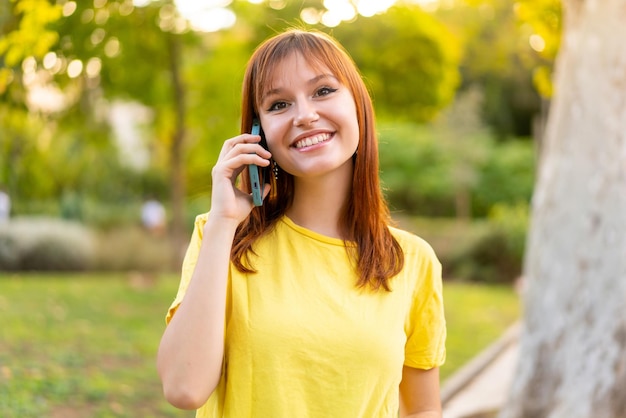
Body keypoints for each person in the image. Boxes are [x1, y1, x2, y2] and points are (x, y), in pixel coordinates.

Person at [157, 29, 446, 418]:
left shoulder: (412, 259)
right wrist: (225, 221)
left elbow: (423, 410)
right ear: (258, 135)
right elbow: (183, 387)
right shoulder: (223, 237)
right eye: (279, 105)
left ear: (358, 105)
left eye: (323, 91)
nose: (305, 115)